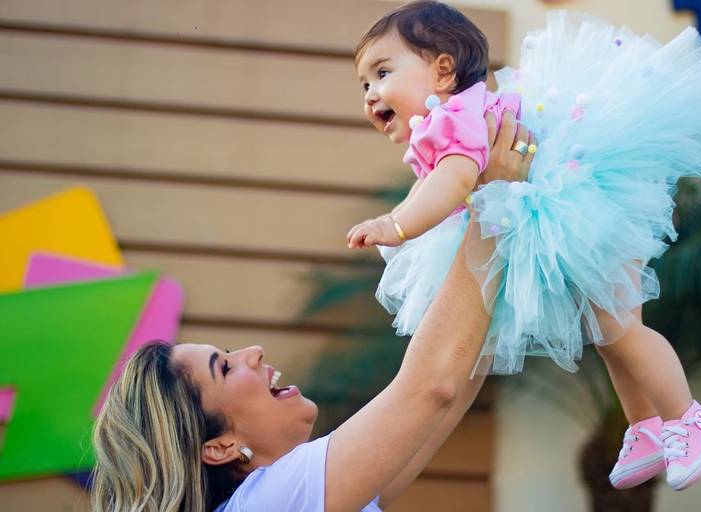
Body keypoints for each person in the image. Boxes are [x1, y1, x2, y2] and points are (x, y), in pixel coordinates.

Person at [346, 1, 701, 491]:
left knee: (617, 323)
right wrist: (400, 221)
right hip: (562, 200)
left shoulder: (459, 118)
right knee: (609, 326)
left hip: (580, 193)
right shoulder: (445, 124)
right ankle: (647, 428)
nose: (370, 93)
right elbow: (436, 184)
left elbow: (454, 181)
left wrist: (396, 226)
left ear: (443, 70)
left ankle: (688, 418)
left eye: (381, 73)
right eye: (364, 84)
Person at [89, 110, 531, 511]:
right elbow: (432, 386)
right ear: (220, 447)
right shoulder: (270, 500)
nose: (253, 351)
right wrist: (495, 201)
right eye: (224, 367)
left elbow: (453, 386)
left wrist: (482, 221)